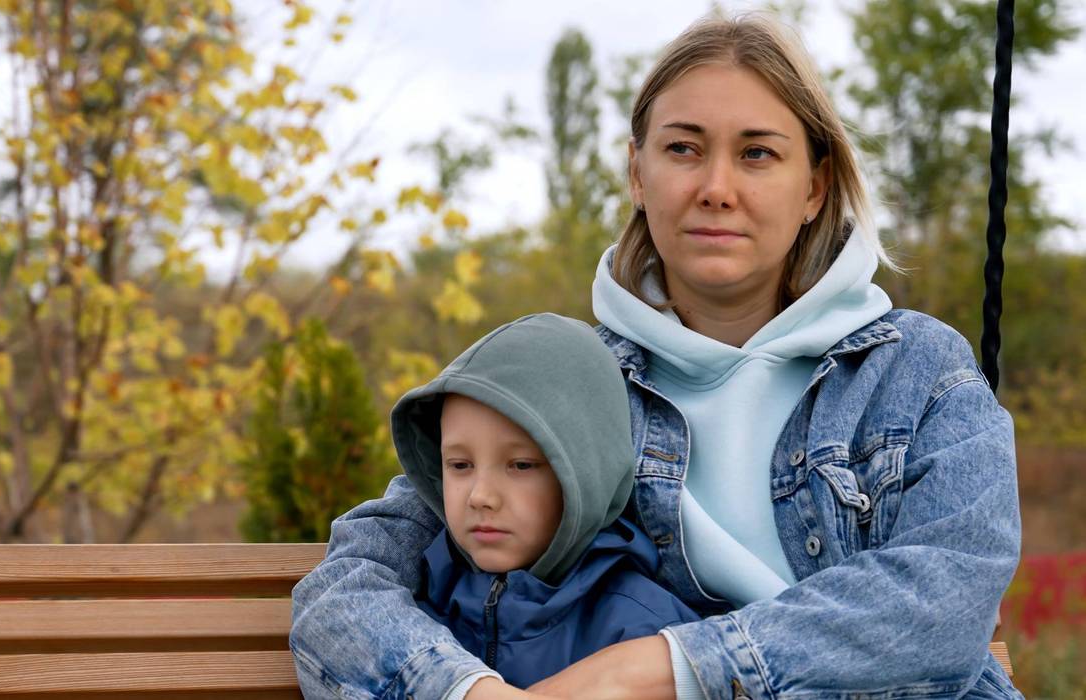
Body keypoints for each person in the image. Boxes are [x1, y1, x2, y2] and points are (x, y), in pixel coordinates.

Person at [290, 13, 1021, 700]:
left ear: (815, 187)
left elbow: (946, 600)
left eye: (757, 153)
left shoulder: (914, 372)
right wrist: (467, 689)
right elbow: (348, 586)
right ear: (638, 175)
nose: (716, 189)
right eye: (683, 149)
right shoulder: (566, 384)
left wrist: (663, 667)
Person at [385, 313, 698, 692]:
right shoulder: (415, 599)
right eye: (460, 465)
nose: (481, 496)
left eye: (520, 465)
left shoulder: (643, 632)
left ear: (588, 475)